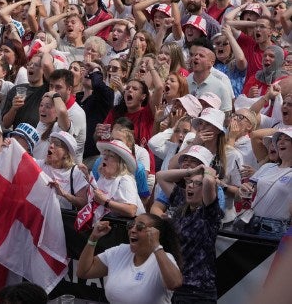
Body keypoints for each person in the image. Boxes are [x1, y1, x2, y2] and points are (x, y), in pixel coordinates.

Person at [77, 214, 183, 304]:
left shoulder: (164, 258)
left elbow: (174, 284)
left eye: (140, 227)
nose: (132, 230)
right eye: (131, 225)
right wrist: (93, 239)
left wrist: (156, 246)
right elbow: (84, 271)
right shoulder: (120, 251)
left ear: (155, 234)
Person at [156, 163, 223, 303]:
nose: (191, 186)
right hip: (174, 285)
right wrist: (192, 171)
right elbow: (161, 176)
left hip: (197, 291)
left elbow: (210, 181)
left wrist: (208, 171)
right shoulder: (183, 202)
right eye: (189, 182)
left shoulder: (209, 213)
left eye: (198, 183)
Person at [238, 127, 292, 239]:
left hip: (276, 229)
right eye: (279, 139)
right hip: (252, 221)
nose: (281, 142)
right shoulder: (267, 167)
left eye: (287, 139)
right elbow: (247, 192)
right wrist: (243, 189)